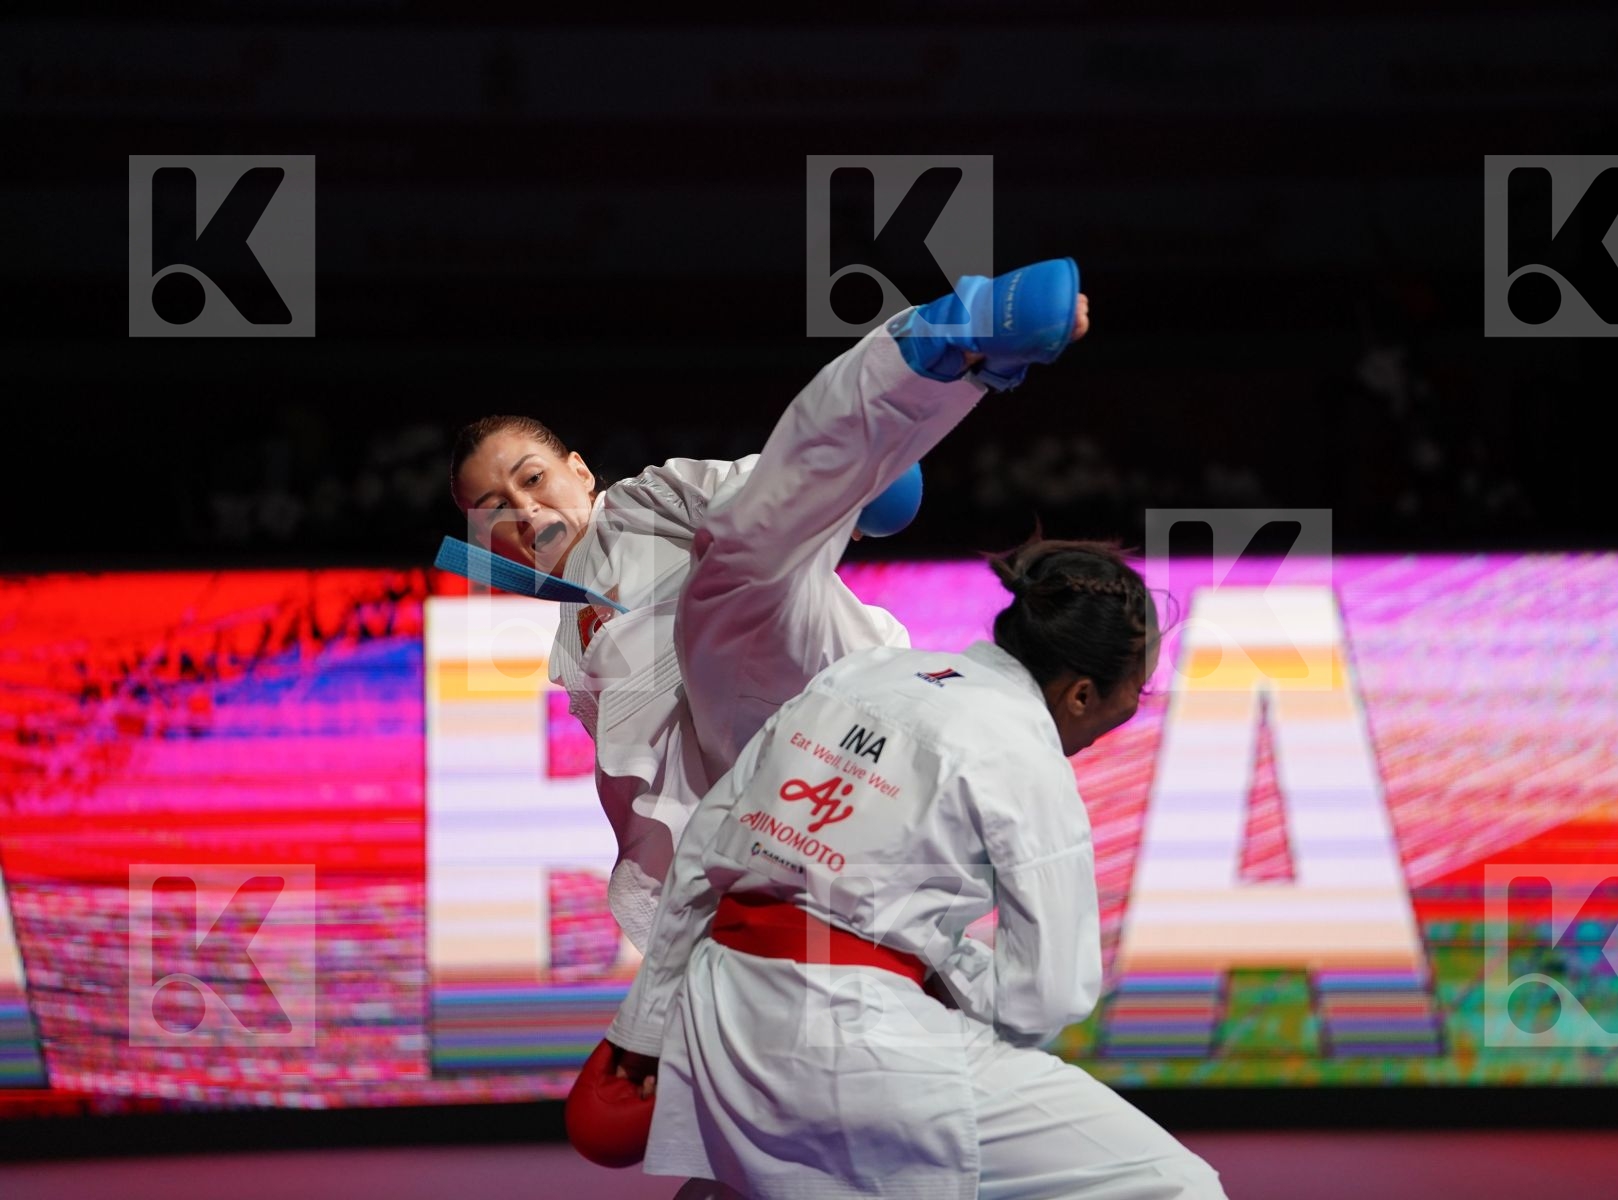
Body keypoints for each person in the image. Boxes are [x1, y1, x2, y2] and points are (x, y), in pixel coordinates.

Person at [448, 260, 1089, 952]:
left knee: (732, 566)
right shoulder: (568, 649)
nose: (524, 509)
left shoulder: (638, 504)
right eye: (495, 508)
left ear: (578, 471)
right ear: (485, 540)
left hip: (809, 657)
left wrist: (845, 491)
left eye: (533, 478)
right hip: (790, 779)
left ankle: (951, 339)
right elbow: (660, 782)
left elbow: (754, 494)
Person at [601, 537, 1229, 1199]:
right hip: (857, 1040)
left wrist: (645, 1027)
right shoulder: (1024, 752)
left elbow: (703, 849)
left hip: (721, 1019)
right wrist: (946, 965)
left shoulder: (860, 674)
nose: (1131, 709)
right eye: (1134, 692)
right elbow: (1045, 998)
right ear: (1080, 694)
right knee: (1174, 1185)